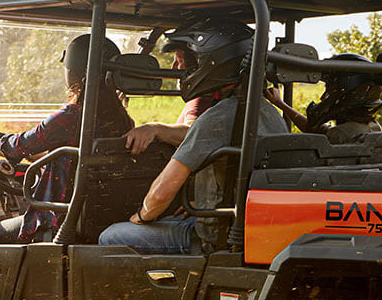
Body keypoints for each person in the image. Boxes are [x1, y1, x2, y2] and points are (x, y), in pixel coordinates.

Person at [99, 18, 287, 255]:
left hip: (213, 236)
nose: (180, 70)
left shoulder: (216, 118)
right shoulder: (270, 113)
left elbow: (159, 195)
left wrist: (140, 216)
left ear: (212, 62)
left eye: (187, 61)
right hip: (242, 227)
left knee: (111, 235)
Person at [0, 35, 134, 243]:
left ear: (73, 72)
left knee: (0, 232)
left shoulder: (72, 115)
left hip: (64, 218)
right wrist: (40, 157)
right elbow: (77, 157)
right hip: (101, 214)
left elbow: (20, 145)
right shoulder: (123, 120)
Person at [120, 28, 215, 155]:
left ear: (199, 64)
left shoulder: (202, 99)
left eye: (180, 60)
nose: (173, 67)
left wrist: (154, 129)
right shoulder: (211, 98)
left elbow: (192, 133)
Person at [264, 53, 382, 144]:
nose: (323, 97)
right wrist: (280, 103)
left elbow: (315, 130)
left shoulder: (340, 134)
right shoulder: (373, 126)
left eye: (330, 91)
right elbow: (314, 129)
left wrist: (280, 104)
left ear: (344, 94)